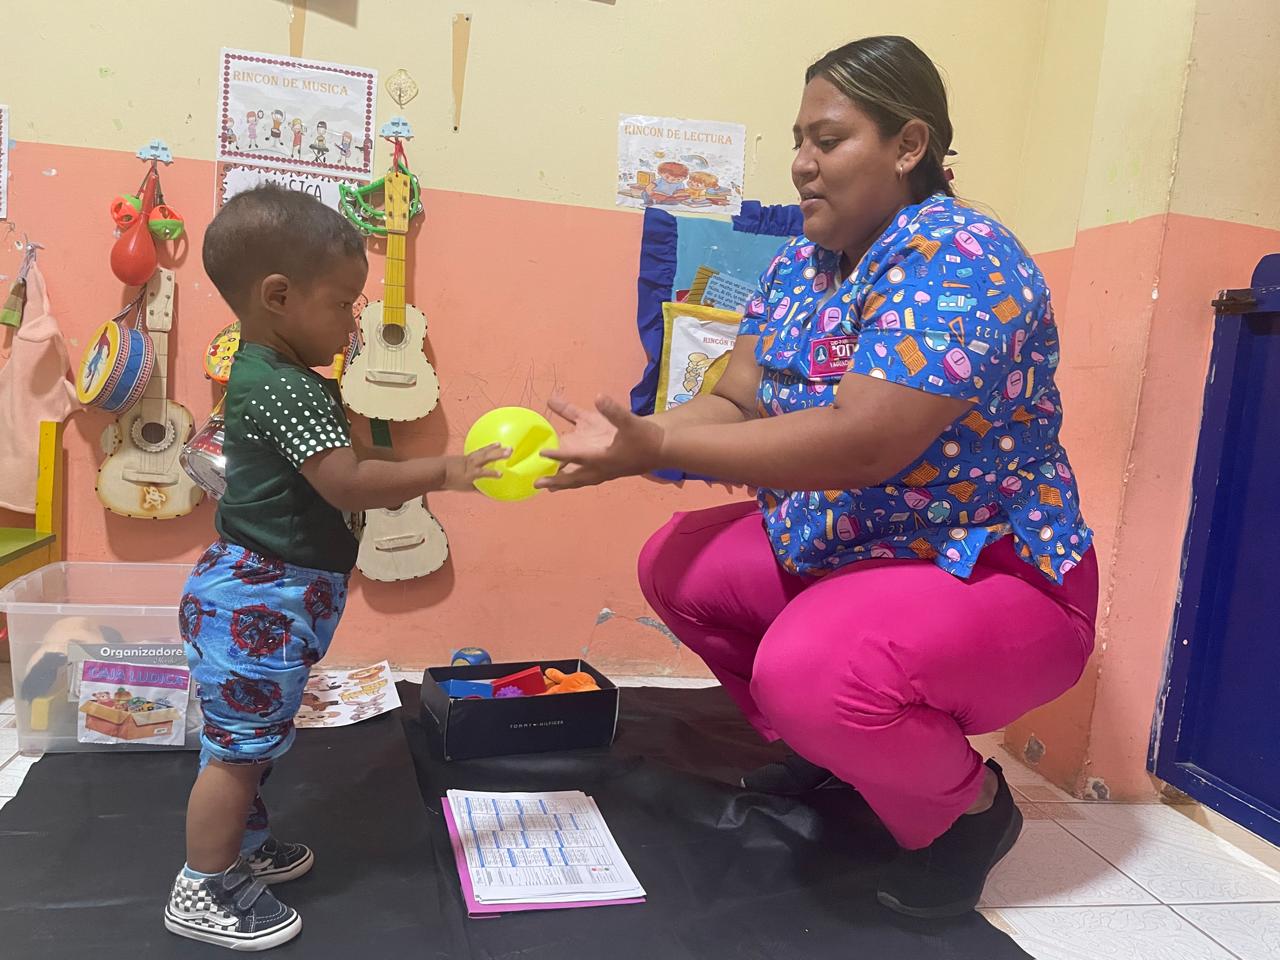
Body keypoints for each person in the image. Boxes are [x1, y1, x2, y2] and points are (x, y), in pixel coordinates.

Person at [539, 35, 1097, 919]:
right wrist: (636, 438)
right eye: (799, 140)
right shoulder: (801, 265)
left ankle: (970, 812)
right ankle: (837, 753)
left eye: (827, 140)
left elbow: (863, 443)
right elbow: (737, 398)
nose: (801, 163)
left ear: (909, 146)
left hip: (994, 569)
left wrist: (658, 450)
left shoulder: (963, 254)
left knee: (811, 672)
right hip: (859, 548)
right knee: (677, 565)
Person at [165, 186, 505, 950]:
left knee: (256, 741)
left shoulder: (279, 376)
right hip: (254, 601)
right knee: (236, 753)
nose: (354, 322)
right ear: (278, 297)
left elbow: (343, 464)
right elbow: (347, 483)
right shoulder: (282, 387)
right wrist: (447, 471)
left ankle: (243, 847)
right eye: (343, 303)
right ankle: (203, 885)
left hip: (271, 596)